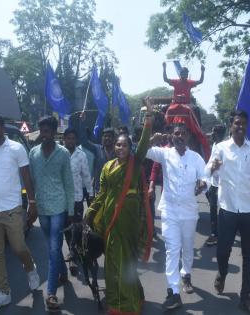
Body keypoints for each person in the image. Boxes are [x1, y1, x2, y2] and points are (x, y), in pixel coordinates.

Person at [84, 99, 154, 315]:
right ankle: (115, 302)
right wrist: (91, 212)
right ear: (113, 147)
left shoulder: (135, 162)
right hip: (109, 218)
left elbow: (144, 143)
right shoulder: (106, 167)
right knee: (113, 261)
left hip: (128, 218)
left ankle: (130, 304)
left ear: (130, 147)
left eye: (124, 145)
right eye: (118, 145)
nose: (120, 148)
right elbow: (102, 194)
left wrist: (149, 117)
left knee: (126, 261)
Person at [205, 110, 250, 315]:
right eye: (236, 123)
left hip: (249, 210)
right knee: (222, 252)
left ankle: (245, 298)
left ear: (247, 125)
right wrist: (212, 167)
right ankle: (222, 273)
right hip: (228, 209)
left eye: (243, 123)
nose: (240, 126)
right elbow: (208, 170)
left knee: (249, 256)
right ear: (231, 125)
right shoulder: (221, 147)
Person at [0, 115, 40, 312]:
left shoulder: (16, 148)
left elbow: (26, 176)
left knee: (19, 247)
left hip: (12, 209)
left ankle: (30, 268)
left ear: (2, 128)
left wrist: (32, 202)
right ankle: (4, 292)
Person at [146, 123, 208, 310]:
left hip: (189, 212)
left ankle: (186, 274)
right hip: (170, 212)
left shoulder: (196, 158)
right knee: (172, 250)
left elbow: (206, 179)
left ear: (188, 136)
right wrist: (151, 139)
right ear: (172, 137)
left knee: (187, 247)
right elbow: (142, 151)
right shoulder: (165, 154)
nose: (179, 136)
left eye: (182, 133)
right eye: (176, 133)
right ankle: (173, 291)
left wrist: (203, 185)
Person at [29, 117, 75, 311]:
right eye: (42, 130)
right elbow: (30, 181)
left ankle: (51, 293)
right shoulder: (33, 153)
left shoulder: (63, 153)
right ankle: (62, 271)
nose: (44, 133)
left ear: (54, 132)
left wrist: (71, 211)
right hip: (42, 208)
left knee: (54, 248)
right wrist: (31, 205)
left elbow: (69, 183)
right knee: (51, 247)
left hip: (58, 207)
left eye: (48, 130)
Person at [63, 127, 94, 275]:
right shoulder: (59, 154)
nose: (70, 141)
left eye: (72, 138)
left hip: (76, 198)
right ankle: (72, 255)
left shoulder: (80, 156)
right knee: (67, 229)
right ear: (64, 140)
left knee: (77, 228)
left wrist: (90, 194)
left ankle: (78, 254)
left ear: (75, 140)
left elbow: (86, 176)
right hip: (62, 199)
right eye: (67, 138)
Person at [78, 118, 116, 194]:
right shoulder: (97, 149)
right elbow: (84, 141)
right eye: (105, 136)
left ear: (114, 138)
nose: (107, 138)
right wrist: (82, 123)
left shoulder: (118, 152)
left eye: (109, 136)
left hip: (114, 191)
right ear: (102, 138)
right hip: (99, 190)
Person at [205, 125, 226, 246]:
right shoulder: (214, 145)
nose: (211, 134)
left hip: (222, 184)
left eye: (213, 133)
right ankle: (214, 234)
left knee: (223, 209)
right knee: (213, 208)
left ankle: (221, 233)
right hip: (213, 182)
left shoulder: (224, 147)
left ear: (218, 134)